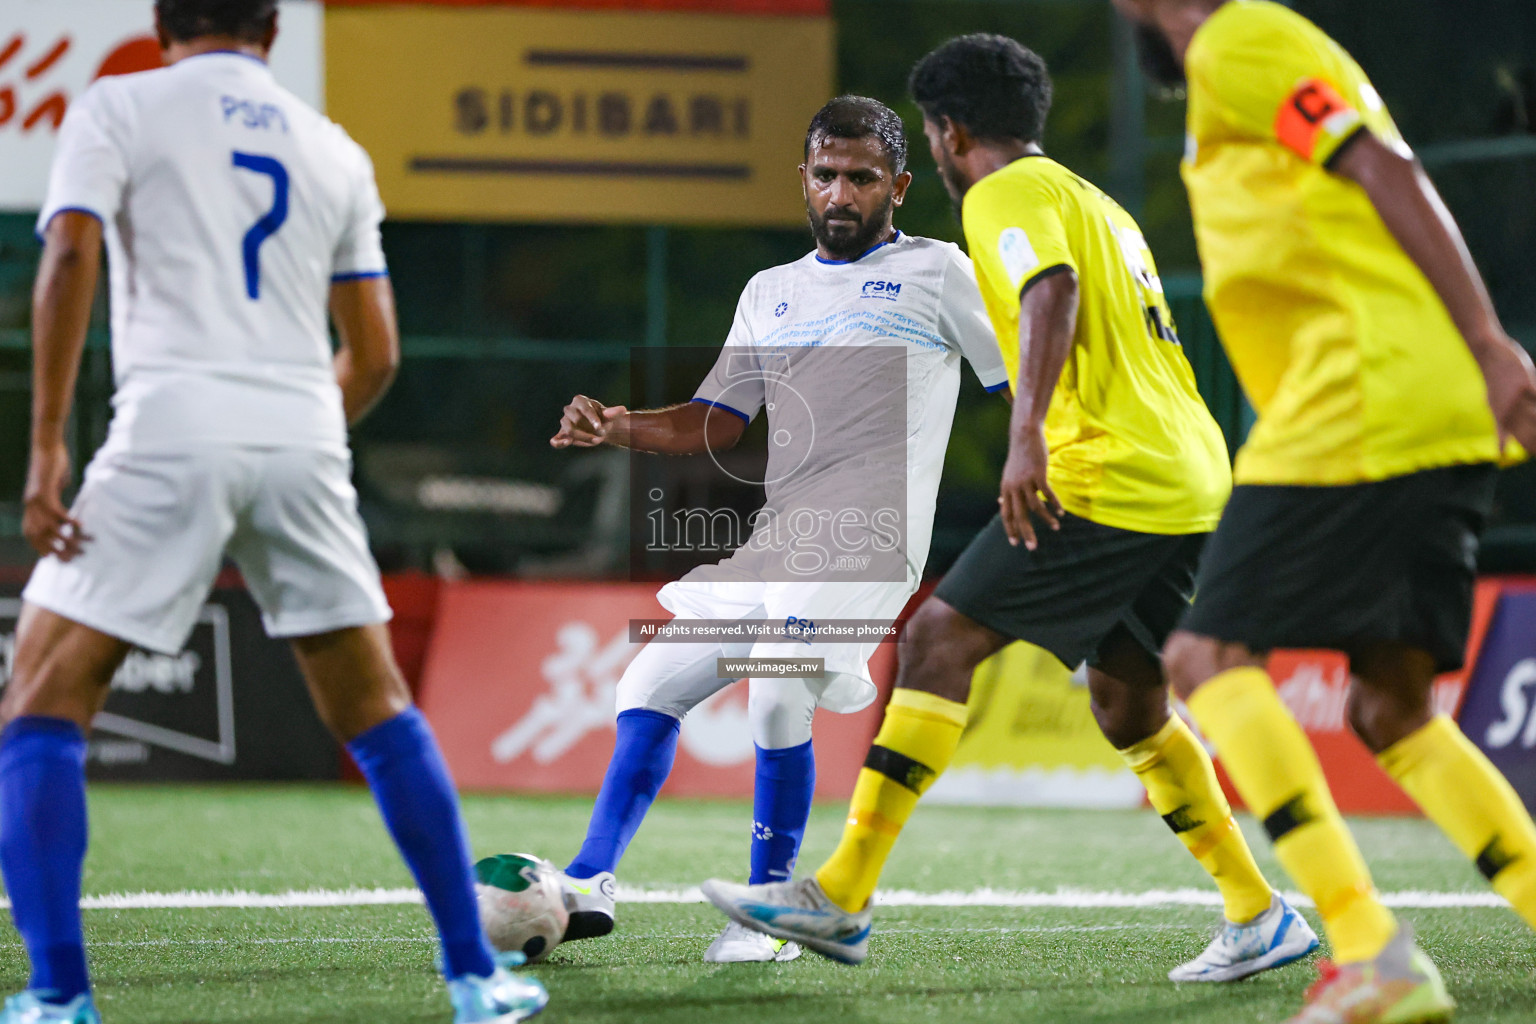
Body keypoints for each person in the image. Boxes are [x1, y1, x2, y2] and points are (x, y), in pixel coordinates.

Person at [702, 33, 1319, 981]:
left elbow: (1051, 292)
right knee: (1127, 702)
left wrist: (1027, 433)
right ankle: (1258, 910)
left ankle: (841, 895)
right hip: (1190, 467)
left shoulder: (1003, 195)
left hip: (1109, 470)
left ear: (948, 136)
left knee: (938, 640)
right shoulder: (1091, 198)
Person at [0, 3, 546, 1022]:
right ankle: (478, 977)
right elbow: (377, 352)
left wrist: (46, 449)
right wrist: (283, 436)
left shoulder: (119, 104)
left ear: (165, 22)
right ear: (271, 29)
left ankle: (57, 994)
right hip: (301, 433)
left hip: (171, 426)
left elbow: (70, 256)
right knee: (379, 710)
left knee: (39, 700)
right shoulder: (333, 147)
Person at [1102, 2, 1536, 1022]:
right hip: (1415, 401)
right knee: (1390, 709)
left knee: (1204, 660)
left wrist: (1487, 340)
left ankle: (1367, 947)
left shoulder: (1240, 42)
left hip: (1359, 395)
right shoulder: (1257, 56)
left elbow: (1386, 169)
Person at [541, 95, 1010, 964]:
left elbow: (1015, 380)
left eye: (862, 178)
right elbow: (716, 421)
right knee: (647, 682)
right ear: (803, 178)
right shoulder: (771, 291)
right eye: (826, 174)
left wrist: (1041, 467)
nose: (841, 192)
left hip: (870, 537)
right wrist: (618, 424)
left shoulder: (942, 271)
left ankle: (770, 912)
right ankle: (588, 879)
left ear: (899, 187)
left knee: (776, 682)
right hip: (781, 541)